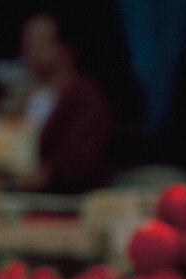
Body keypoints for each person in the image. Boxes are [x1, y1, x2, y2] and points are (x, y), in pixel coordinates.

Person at [16, 11, 114, 194]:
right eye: (26, 40)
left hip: (64, 202)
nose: (27, 47)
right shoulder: (27, 96)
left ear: (64, 48)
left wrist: (47, 174)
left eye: (39, 41)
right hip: (23, 196)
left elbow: (83, 161)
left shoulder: (84, 96)